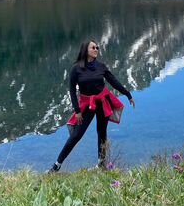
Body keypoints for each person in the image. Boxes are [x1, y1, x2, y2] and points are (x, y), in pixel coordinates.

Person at [48, 39, 135, 172]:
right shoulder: (76, 69)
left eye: (97, 48)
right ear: (85, 50)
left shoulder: (101, 66)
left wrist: (128, 94)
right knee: (76, 135)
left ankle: (101, 164)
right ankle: (56, 166)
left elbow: (113, 81)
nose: (96, 50)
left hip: (102, 101)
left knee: (102, 133)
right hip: (86, 104)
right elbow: (72, 90)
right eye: (93, 47)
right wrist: (77, 111)